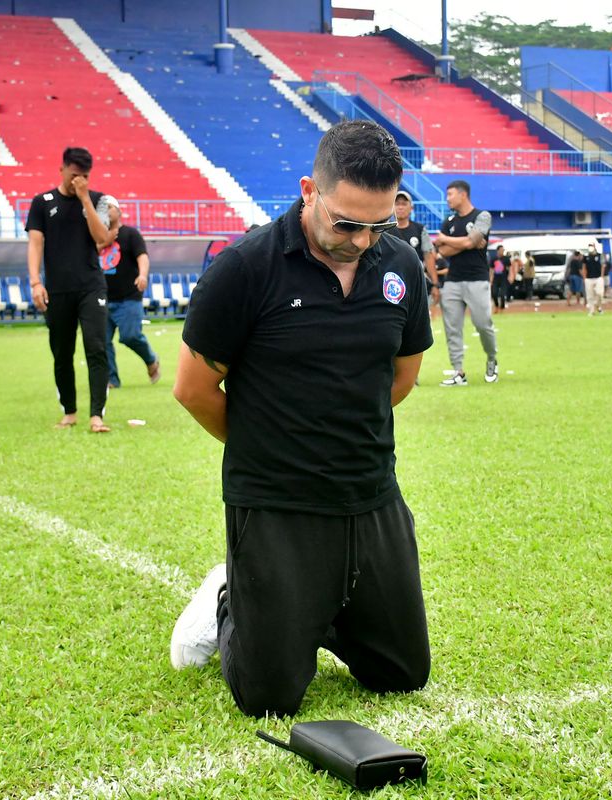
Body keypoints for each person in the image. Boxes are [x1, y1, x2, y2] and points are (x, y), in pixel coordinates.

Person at [168, 120, 432, 718]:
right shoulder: (245, 268)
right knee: (269, 698)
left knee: (402, 676)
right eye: (347, 222)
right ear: (310, 189)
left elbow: (401, 377)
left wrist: (333, 432)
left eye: (379, 223)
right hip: (276, 500)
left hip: (370, 494)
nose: (363, 240)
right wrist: (274, 444)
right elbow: (193, 388)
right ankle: (231, 599)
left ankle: (312, 611)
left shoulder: (401, 268)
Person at [26, 146, 118, 433]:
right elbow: (35, 243)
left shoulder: (98, 200)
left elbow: (103, 239)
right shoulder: (42, 202)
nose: (79, 180)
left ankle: (96, 416)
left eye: (85, 176)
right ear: (62, 169)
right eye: (75, 174)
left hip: (91, 286)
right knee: (62, 352)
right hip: (57, 289)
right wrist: (35, 281)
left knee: (96, 347)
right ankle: (69, 411)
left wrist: (84, 200)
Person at [434, 179, 498, 385]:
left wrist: (447, 239)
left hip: (477, 279)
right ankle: (458, 371)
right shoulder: (449, 221)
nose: (447, 199)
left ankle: (491, 359)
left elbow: (467, 241)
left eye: (450, 194)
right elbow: (442, 251)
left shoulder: (482, 216)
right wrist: (468, 243)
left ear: (463, 195)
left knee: (482, 324)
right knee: (452, 328)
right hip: (452, 280)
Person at [103, 216, 160, 389]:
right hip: (102, 297)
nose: (106, 211)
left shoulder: (130, 234)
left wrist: (142, 275)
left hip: (129, 296)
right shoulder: (96, 235)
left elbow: (142, 256)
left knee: (130, 336)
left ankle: (151, 359)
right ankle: (111, 380)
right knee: (101, 341)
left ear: (118, 211)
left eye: (109, 207)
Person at [384, 190, 439, 310]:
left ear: (411, 208)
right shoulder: (384, 229)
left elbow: (428, 257)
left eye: (404, 204)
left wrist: (435, 284)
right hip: (391, 283)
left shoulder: (420, 229)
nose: (400, 207)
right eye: (397, 204)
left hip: (415, 281)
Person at [582, 243, 606, 315]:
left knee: (599, 293)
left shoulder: (599, 255)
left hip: (598, 277)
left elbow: (603, 265)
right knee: (590, 295)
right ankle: (591, 311)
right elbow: (584, 267)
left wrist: (602, 276)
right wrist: (584, 278)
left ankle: (599, 306)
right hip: (589, 278)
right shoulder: (586, 257)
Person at [490, 244, 511, 311]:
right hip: (496, 279)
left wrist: (510, 276)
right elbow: (491, 269)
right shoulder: (493, 259)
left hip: (503, 279)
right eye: (501, 250)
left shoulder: (506, 259)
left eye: (503, 250)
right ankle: (496, 305)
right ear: (498, 251)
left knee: (502, 294)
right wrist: (491, 278)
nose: (502, 251)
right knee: (494, 293)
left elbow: (510, 268)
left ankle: (502, 307)